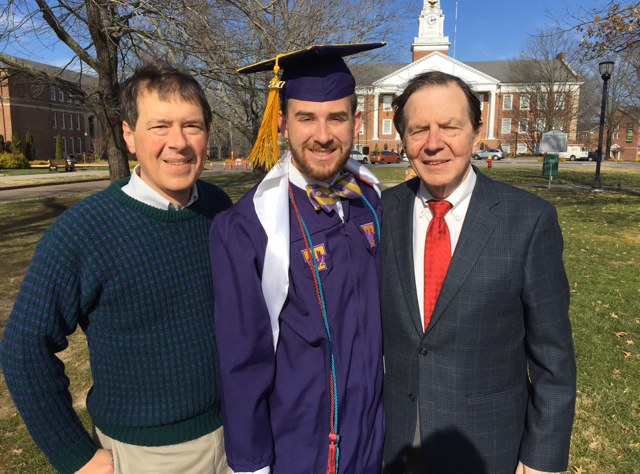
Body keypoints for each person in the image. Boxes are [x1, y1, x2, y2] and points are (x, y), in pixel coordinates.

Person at [0, 60, 232, 474]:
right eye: (159, 126)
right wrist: (76, 456)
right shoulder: (84, 230)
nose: (178, 142)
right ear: (129, 136)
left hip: (235, 433)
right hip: (148, 455)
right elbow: (23, 348)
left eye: (192, 126)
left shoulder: (219, 208)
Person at [380, 71, 576, 474]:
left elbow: (553, 357)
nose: (433, 144)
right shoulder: (380, 213)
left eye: (449, 127)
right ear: (403, 138)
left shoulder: (528, 220)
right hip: (395, 441)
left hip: (486, 445)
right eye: (418, 130)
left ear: (476, 130)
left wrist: (542, 459)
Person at [209, 43, 386, 474]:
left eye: (336, 117)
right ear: (283, 124)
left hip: (375, 439)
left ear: (356, 122)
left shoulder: (371, 202)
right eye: (306, 117)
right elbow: (242, 362)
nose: (322, 134)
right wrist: (251, 465)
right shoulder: (249, 227)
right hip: (303, 451)